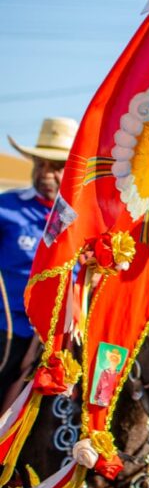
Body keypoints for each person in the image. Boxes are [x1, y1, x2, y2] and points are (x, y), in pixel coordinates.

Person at [0, 117, 78, 409]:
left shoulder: (82, 216)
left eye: (56, 166)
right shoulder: (6, 208)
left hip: (68, 334)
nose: (46, 174)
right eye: (40, 164)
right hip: (12, 331)